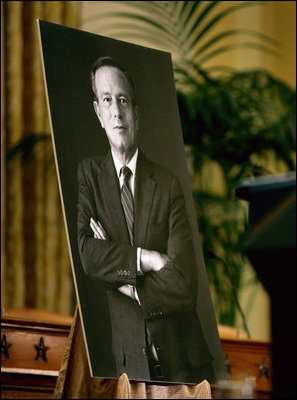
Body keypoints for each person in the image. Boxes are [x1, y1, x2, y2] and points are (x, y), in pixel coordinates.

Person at [77, 56, 213, 383]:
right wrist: (146, 259)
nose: (116, 110)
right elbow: (87, 254)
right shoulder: (89, 176)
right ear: (98, 112)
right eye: (107, 100)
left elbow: (184, 284)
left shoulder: (167, 184)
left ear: (136, 113)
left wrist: (122, 277)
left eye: (123, 100)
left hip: (183, 361)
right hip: (129, 366)